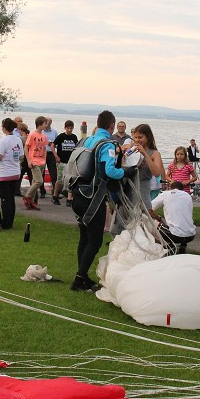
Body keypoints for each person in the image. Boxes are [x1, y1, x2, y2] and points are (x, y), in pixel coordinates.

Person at [71, 110, 131, 292]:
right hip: (94, 197)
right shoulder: (108, 144)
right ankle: (79, 279)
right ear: (112, 127)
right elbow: (110, 171)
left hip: (78, 194)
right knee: (95, 240)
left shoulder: (85, 141)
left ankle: (82, 276)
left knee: (84, 236)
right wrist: (127, 172)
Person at [111, 123, 164, 234]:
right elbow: (116, 158)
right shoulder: (131, 149)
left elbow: (156, 172)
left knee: (140, 227)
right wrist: (122, 152)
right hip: (127, 189)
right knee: (119, 227)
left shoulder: (154, 153)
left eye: (140, 137)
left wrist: (144, 153)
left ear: (148, 137)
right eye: (135, 137)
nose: (137, 140)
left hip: (142, 190)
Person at [0, 118, 23, 229]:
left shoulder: (3, 140)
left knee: (5, 199)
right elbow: (21, 156)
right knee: (11, 198)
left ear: (4, 128)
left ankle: (6, 224)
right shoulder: (18, 140)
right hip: (15, 172)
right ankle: (10, 222)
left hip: (4, 173)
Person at [152, 181, 196, 254]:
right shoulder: (187, 196)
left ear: (170, 188)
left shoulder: (166, 194)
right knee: (182, 221)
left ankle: (168, 246)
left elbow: (149, 208)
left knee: (153, 224)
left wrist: (157, 218)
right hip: (191, 235)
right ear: (182, 189)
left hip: (175, 236)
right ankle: (183, 245)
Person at [24, 116, 49, 210]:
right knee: (39, 181)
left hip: (42, 161)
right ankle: (27, 195)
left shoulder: (44, 136)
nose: (46, 125)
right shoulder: (32, 135)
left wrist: (45, 159)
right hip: (34, 161)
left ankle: (32, 202)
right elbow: (26, 148)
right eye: (45, 123)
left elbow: (45, 149)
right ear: (40, 124)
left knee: (35, 181)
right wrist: (28, 160)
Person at [53, 120, 78, 206]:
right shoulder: (61, 136)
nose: (69, 130)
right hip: (62, 161)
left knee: (70, 180)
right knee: (60, 180)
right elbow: (53, 145)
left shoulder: (74, 137)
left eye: (71, 128)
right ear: (65, 128)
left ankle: (69, 199)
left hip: (71, 162)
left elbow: (76, 148)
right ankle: (55, 196)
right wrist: (56, 156)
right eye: (68, 128)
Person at [43, 117, 58, 204]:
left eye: (48, 122)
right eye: (46, 122)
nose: (47, 124)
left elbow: (57, 143)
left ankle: (55, 191)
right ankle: (42, 191)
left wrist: (53, 145)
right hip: (42, 153)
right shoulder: (41, 132)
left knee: (53, 173)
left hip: (51, 153)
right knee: (42, 172)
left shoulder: (54, 132)